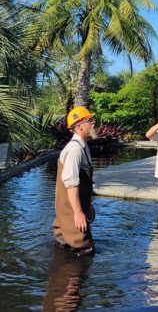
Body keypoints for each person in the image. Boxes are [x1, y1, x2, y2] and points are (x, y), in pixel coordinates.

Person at [53, 106, 97, 256]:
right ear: (79, 127)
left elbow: (84, 180)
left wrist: (88, 204)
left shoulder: (83, 146)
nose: (94, 122)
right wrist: (78, 213)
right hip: (71, 211)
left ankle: (63, 277)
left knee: (64, 251)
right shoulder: (74, 150)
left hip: (73, 209)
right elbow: (71, 183)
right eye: (90, 120)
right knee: (84, 251)